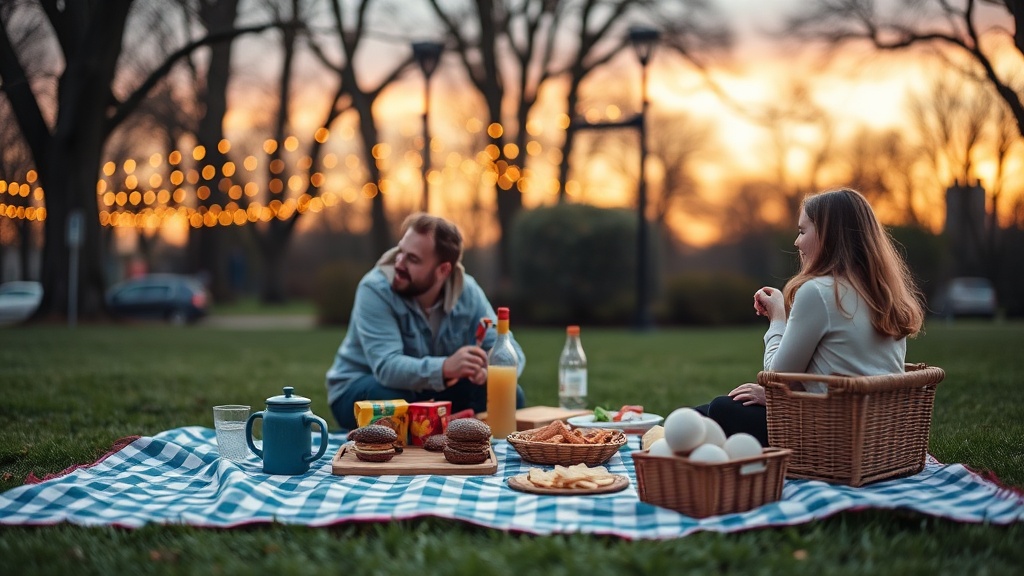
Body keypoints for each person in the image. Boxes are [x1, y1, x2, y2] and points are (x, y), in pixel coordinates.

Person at [695, 187, 925, 445]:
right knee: (702, 414)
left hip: (831, 437)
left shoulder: (819, 291)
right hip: (878, 434)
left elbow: (778, 381)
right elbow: (833, 373)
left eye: (803, 231)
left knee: (721, 408)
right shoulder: (884, 293)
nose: (796, 242)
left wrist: (777, 319)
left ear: (828, 236)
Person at [325, 213, 527, 431]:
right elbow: (386, 368)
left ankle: (449, 434)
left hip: (428, 393)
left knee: (508, 393)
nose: (399, 263)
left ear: (443, 270)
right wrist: (445, 368)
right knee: (391, 399)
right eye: (400, 251)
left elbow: (514, 354)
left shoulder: (468, 293)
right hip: (361, 387)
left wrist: (488, 372)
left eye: (413, 259)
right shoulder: (375, 289)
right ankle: (429, 430)